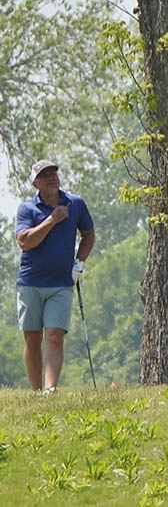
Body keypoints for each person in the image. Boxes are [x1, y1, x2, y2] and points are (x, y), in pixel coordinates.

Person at [14, 159, 95, 392]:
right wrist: (52, 219)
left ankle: (50, 390)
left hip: (61, 283)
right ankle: (36, 391)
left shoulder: (75, 204)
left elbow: (88, 234)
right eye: (44, 175)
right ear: (35, 183)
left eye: (53, 173)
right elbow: (25, 242)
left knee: (54, 335)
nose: (51, 178)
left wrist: (79, 263)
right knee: (32, 338)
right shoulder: (27, 209)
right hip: (30, 282)